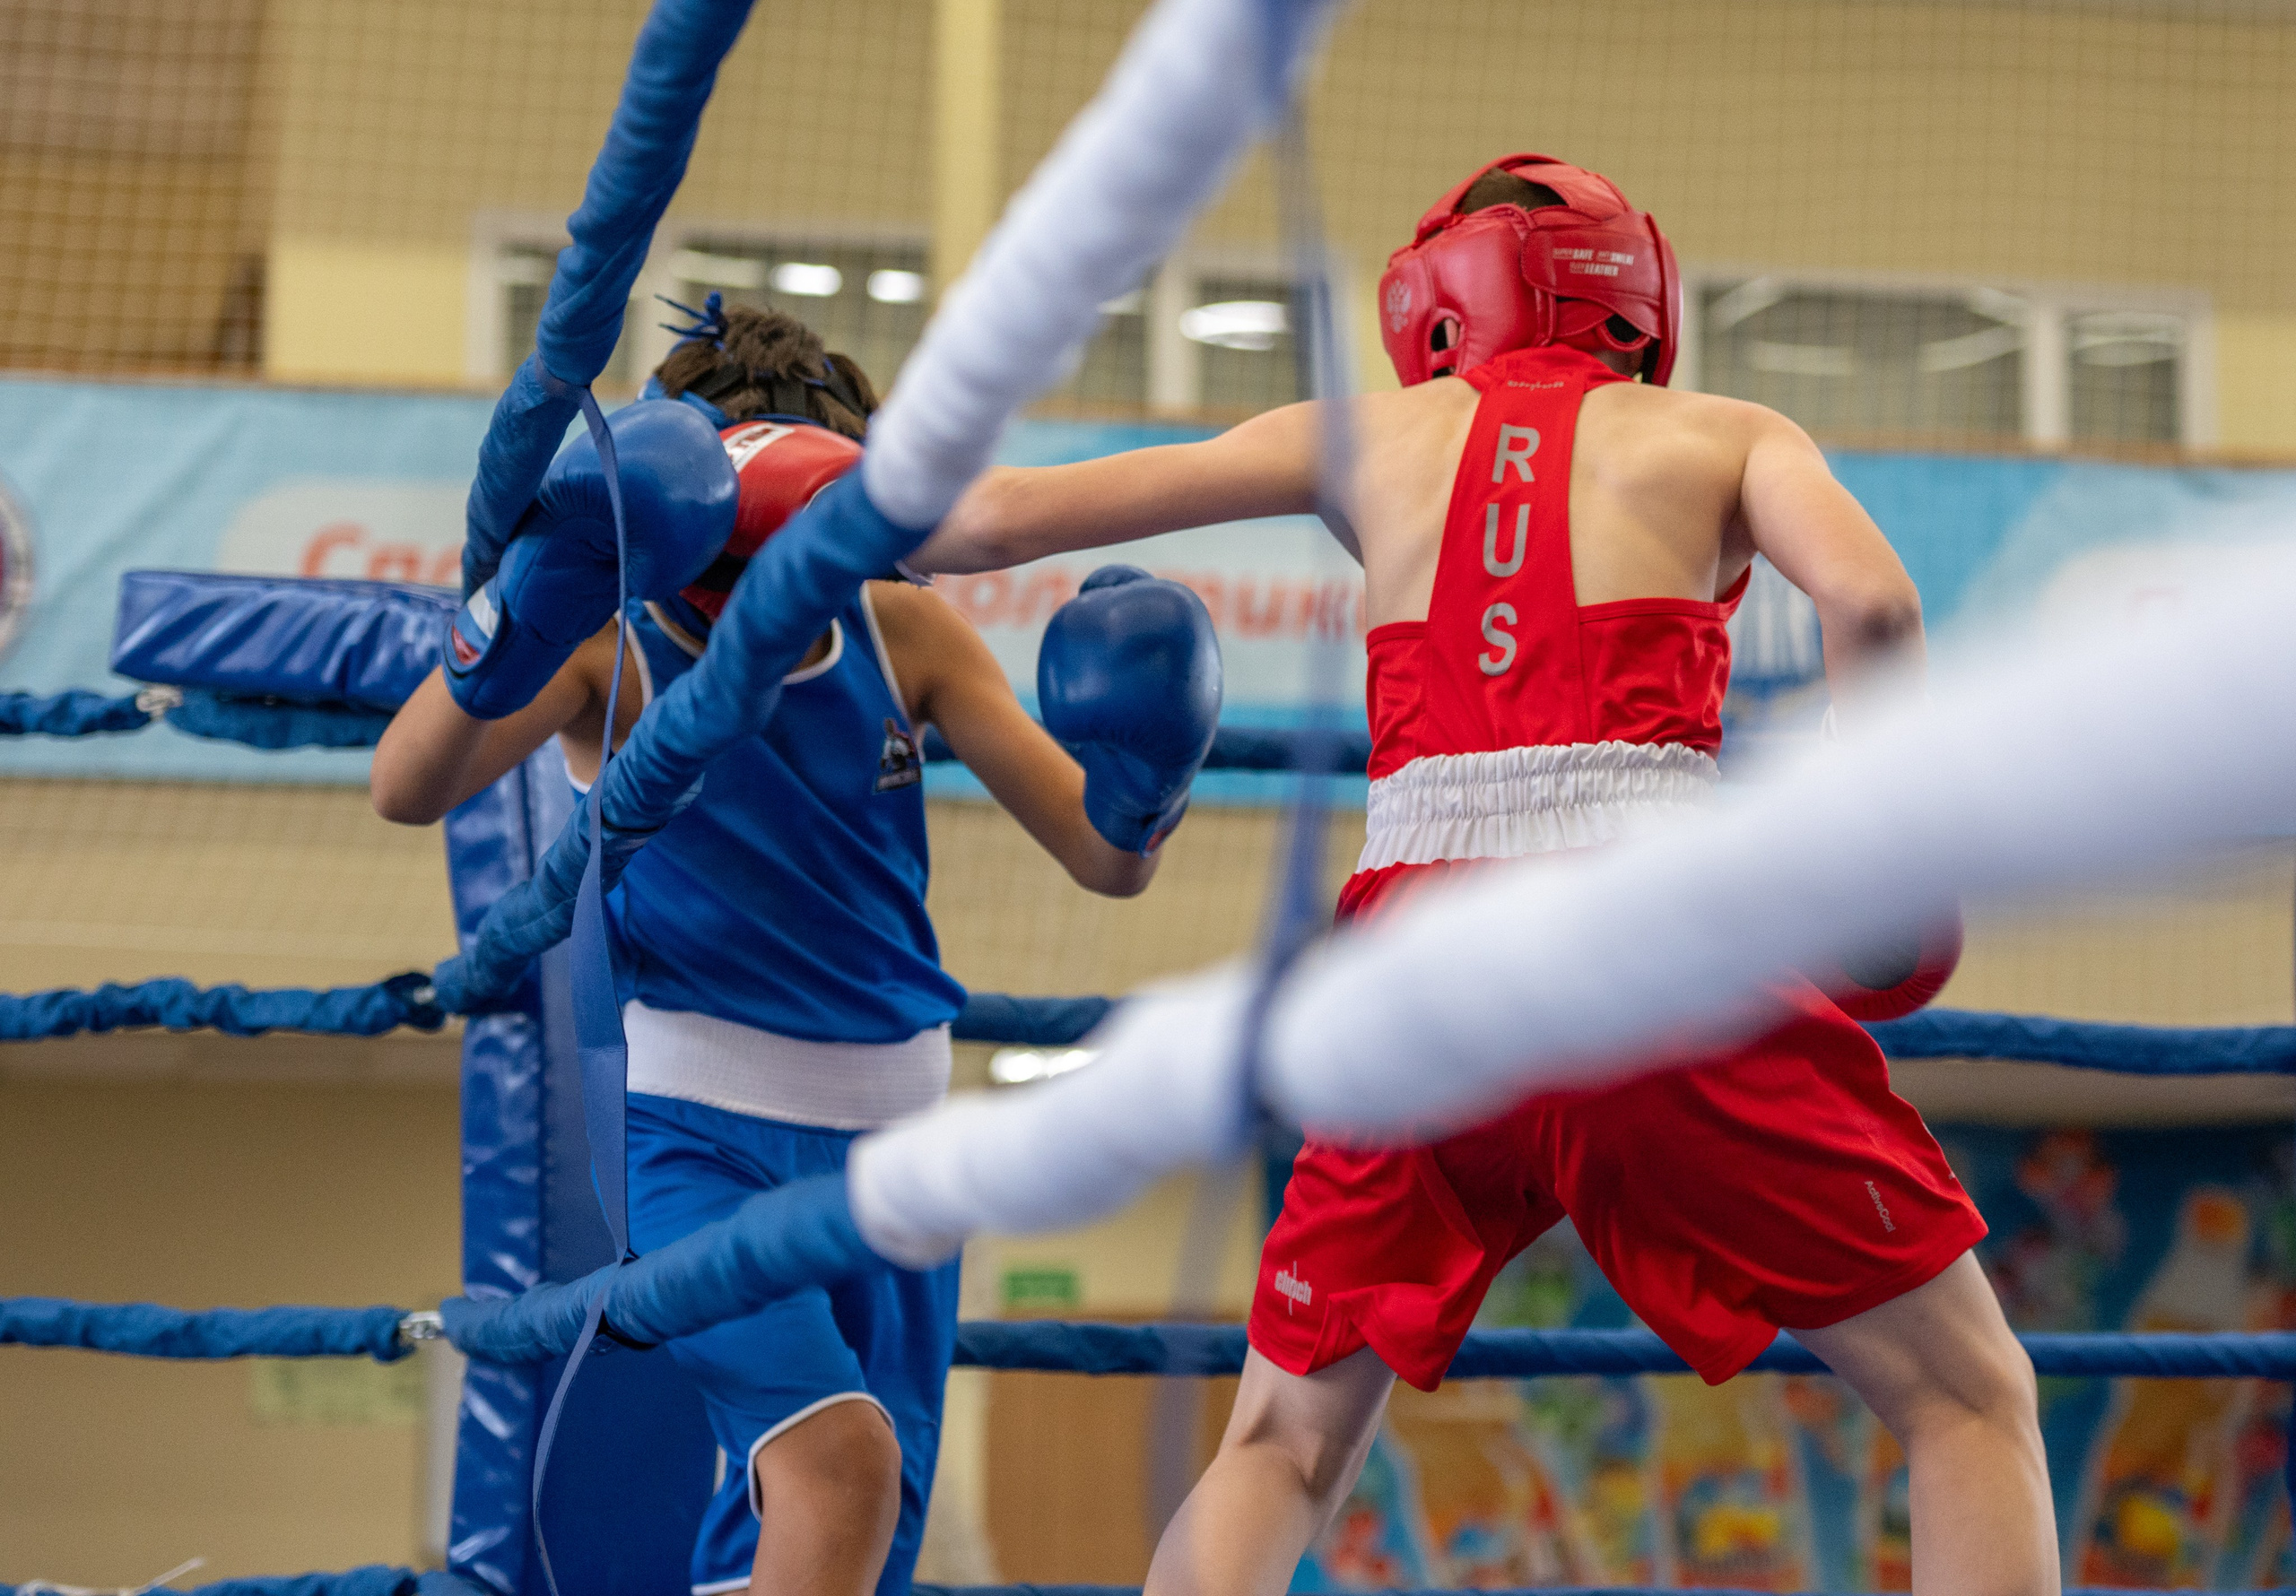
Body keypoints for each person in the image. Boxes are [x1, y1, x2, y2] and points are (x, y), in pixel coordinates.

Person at [911, 155, 2053, 1594]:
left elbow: (994, 517)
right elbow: (1876, 603)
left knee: (1278, 1445)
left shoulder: (1365, 436)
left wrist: (759, 490)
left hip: (1415, 955)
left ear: (1434, 305)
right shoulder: (1723, 430)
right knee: (1966, 1398)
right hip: (1652, 933)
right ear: (1641, 299)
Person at [371, 299, 1223, 1596]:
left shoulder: (907, 627)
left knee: (836, 1536)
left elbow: (1105, 862)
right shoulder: (610, 643)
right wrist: (521, 612)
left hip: (903, 1150)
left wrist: (1144, 782)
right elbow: (407, 782)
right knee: (842, 1467)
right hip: (689, 1138)